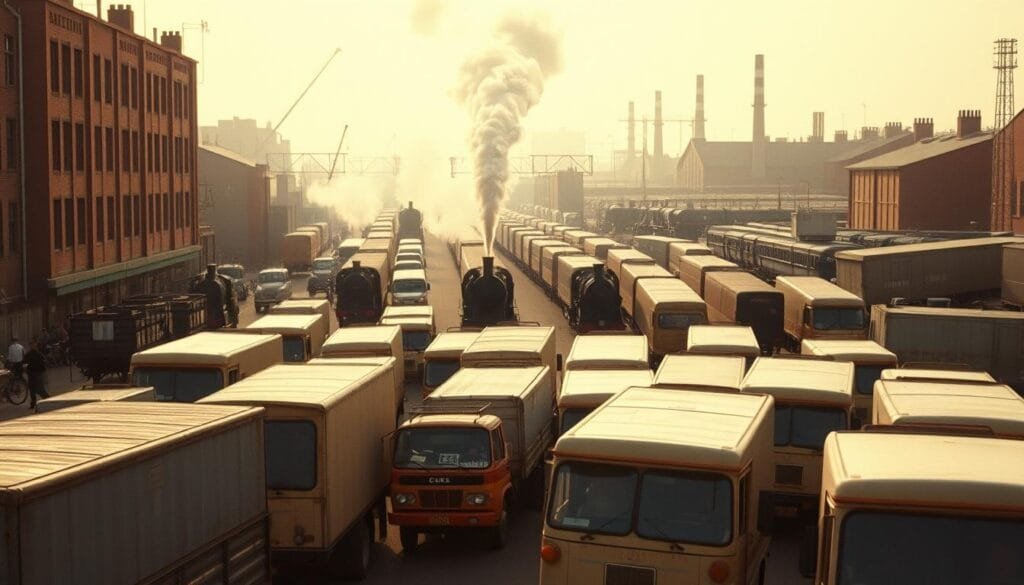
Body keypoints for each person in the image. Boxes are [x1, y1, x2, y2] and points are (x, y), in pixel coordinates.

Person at [24, 342, 49, 409]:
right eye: (32, 346)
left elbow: (24, 363)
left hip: (36, 373)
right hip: (34, 373)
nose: (33, 347)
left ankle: (48, 399)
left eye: (34, 346)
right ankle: (34, 403)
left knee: (38, 389)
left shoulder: (37, 354)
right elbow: (24, 362)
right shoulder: (34, 354)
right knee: (34, 389)